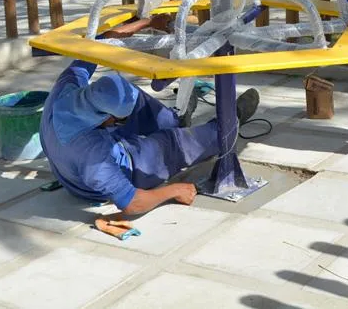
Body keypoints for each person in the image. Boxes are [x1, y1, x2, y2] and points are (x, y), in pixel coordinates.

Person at [39, 13, 261, 215]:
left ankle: (175, 120)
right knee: (171, 144)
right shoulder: (94, 157)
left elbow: (100, 44)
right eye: (118, 120)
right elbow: (132, 203)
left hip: (79, 150)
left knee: (129, 96)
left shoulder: (66, 90)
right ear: (107, 119)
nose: (122, 121)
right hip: (109, 176)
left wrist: (147, 23)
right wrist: (174, 190)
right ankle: (229, 121)